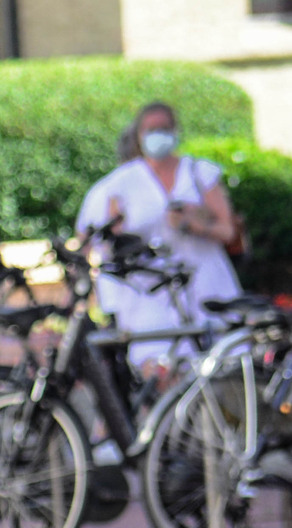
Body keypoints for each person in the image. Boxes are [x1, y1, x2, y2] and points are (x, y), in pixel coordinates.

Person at [76, 101, 241, 367]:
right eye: (151, 129)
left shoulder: (200, 172)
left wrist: (192, 222)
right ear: (139, 135)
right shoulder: (122, 182)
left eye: (164, 128)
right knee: (158, 366)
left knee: (219, 365)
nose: (157, 135)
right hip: (152, 292)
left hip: (205, 284)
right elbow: (103, 240)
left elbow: (227, 230)